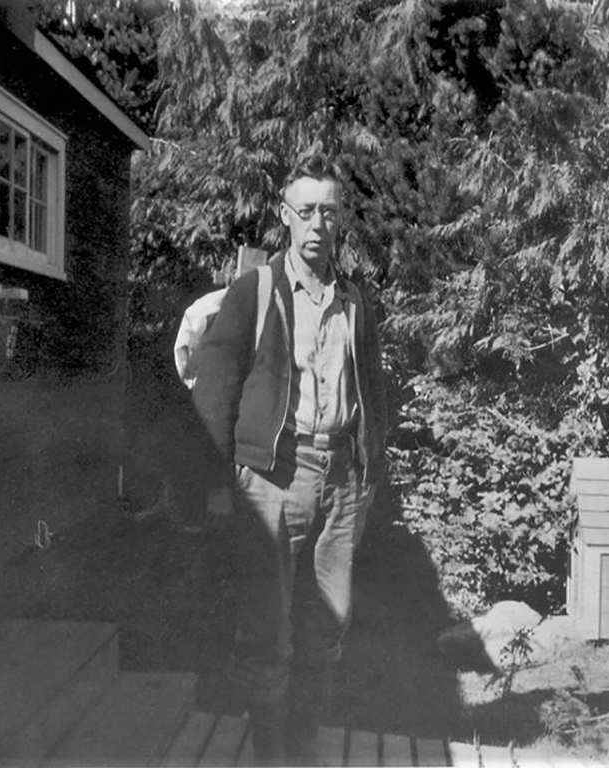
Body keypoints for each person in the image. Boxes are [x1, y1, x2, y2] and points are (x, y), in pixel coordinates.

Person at [191, 152, 387, 766]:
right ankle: (270, 756)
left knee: (326, 626)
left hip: (341, 482)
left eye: (329, 212)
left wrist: (370, 471)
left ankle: (305, 752)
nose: (317, 225)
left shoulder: (356, 301)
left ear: (339, 222)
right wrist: (215, 479)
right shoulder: (257, 291)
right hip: (275, 479)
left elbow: (374, 391)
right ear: (285, 217)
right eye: (306, 212)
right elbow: (214, 386)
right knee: (265, 629)